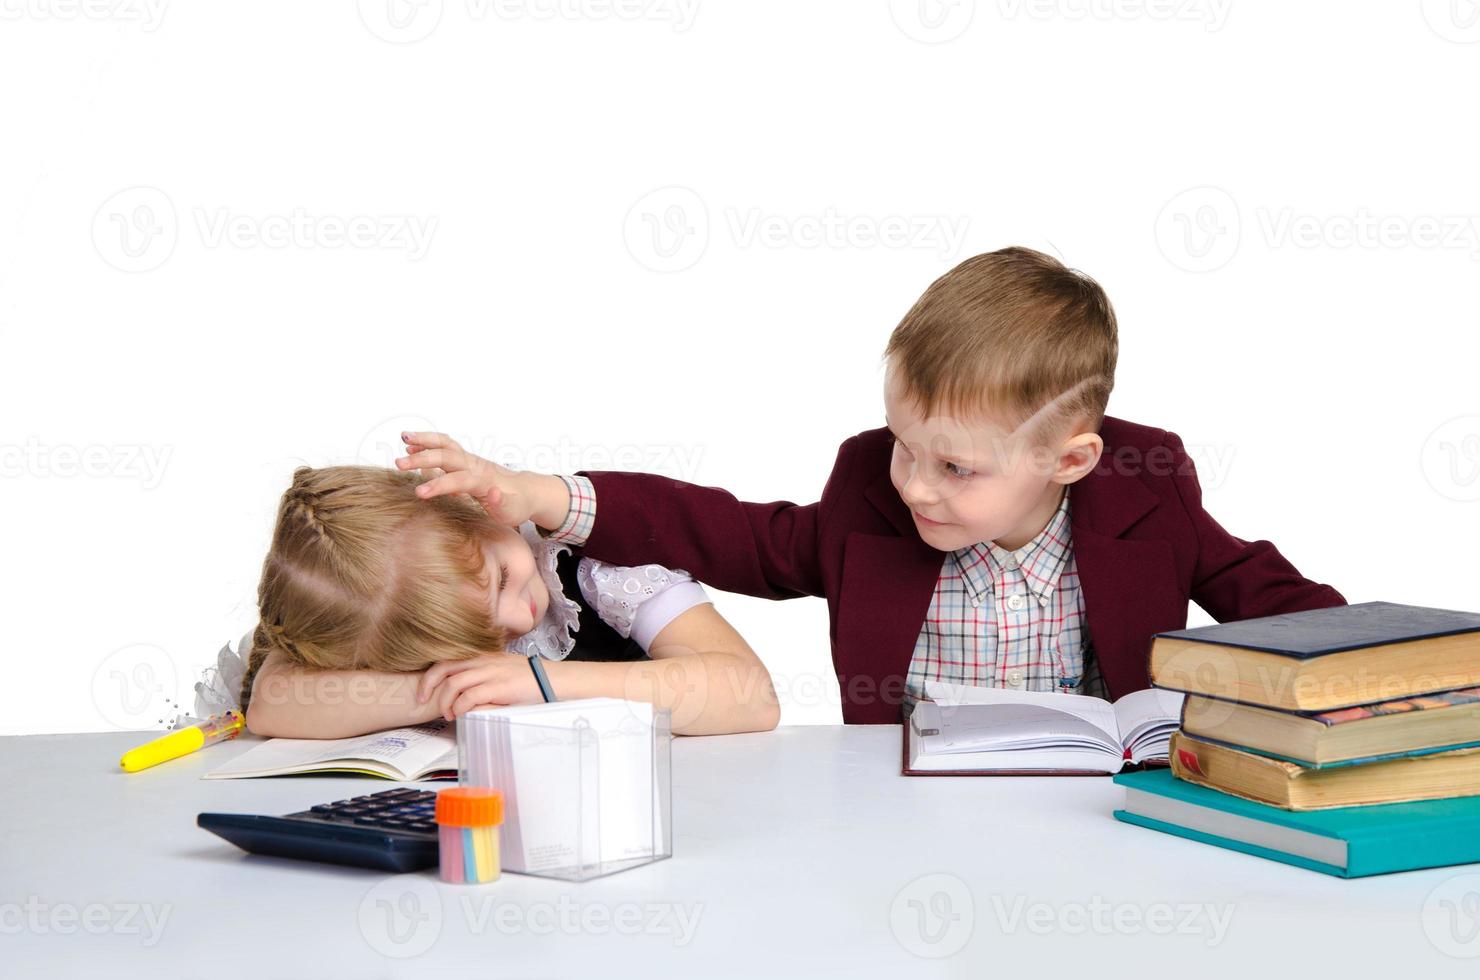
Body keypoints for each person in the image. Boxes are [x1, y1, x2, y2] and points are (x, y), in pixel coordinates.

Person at [400, 246, 1346, 724]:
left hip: (1095, 805)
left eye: (956, 467)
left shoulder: (1150, 486)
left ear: (1070, 461)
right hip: (905, 803)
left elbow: (1257, 590)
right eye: (904, 444)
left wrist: (1380, 667)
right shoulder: (871, 487)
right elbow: (733, 534)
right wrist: (539, 494)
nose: (917, 487)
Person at [210, 463, 778, 738]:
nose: (516, 616)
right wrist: (452, 689)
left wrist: (537, 681)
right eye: (475, 631)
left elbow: (751, 697)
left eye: (501, 577)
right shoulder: (392, 608)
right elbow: (273, 701)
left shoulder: (595, 558)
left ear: (478, 507)